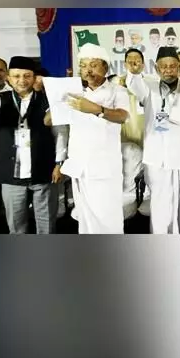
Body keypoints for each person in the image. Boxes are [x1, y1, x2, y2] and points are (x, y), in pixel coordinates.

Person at [0, 56, 65, 234]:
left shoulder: (47, 100)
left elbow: (60, 133)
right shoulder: (1, 99)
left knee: (46, 224)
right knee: (16, 225)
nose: (22, 80)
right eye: (16, 76)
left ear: (34, 77)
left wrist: (59, 163)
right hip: (11, 174)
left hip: (43, 170)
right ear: (8, 77)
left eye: (27, 76)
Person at [124, 46, 180, 233]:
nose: (168, 70)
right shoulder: (148, 87)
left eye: (172, 66)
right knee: (161, 211)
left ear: (179, 67)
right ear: (157, 68)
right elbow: (134, 85)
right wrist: (134, 73)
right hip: (159, 161)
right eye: (163, 67)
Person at [61, 43, 130, 233]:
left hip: (104, 169)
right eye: (83, 66)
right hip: (80, 167)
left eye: (93, 65)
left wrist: (97, 110)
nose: (88, 70)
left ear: (105, 67)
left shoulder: (117, 91)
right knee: (84, 221)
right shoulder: (75, 93)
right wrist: (58, 98)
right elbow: (48, 120)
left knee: (108, 219)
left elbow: (123, 116)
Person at [116, 48, 149, 219]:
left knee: (149, 168)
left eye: (137, 59)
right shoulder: (117, 83)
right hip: (126, 132)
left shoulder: (150, 83)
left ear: (143, 64)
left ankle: (147, 197)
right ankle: (129, 199)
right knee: (129, 167)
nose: (133, 62)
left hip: (146, 132)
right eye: (130, 59)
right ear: (125, 63)